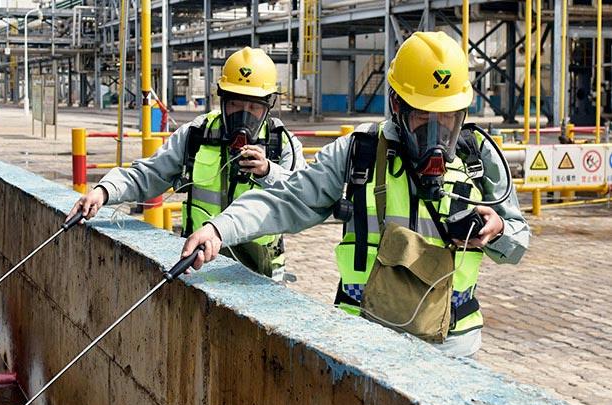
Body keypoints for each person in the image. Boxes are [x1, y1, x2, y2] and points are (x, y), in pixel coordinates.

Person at [180, 31, 530, 357]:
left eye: (448, 118)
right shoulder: (358, 152)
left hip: (452, 346)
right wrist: (219, 228)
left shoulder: (478, 157)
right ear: (397, 105)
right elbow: (286, 200)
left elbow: (518, 239)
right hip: (363, 337)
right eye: (423, 116)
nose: (436, 132)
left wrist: (498, 231)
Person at [67, 47, 305, 280]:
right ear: (222, 100)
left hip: (260, 275)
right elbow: (148, 174)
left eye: (253, 107)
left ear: (268, 106)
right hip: (200, 266)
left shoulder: (282, 144)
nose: (243, 115)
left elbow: (303, 199)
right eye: (235, 105)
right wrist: (103, 191)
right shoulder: (197, 134)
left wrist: (268, 172)